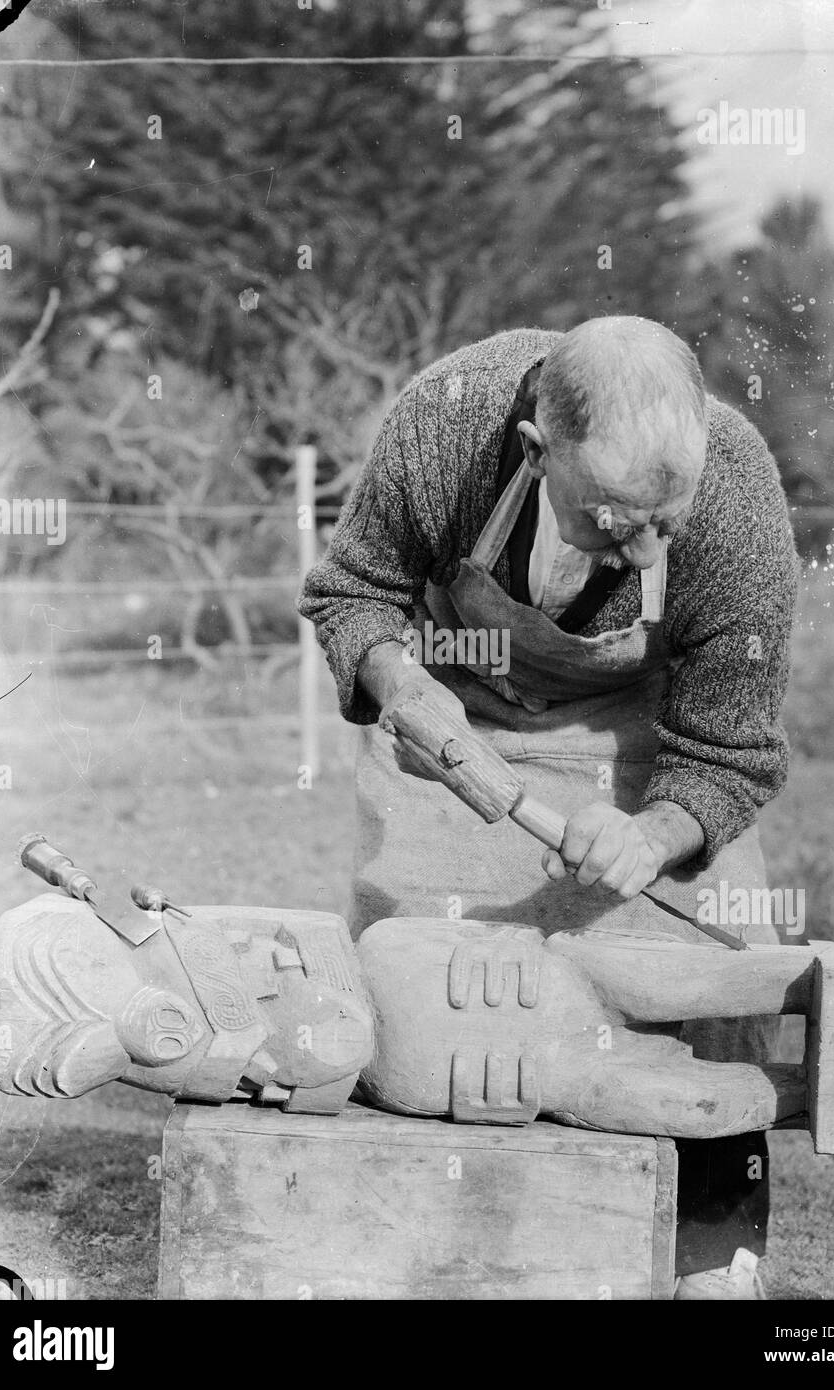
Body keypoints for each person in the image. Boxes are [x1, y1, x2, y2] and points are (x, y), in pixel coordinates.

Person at [298, 316, 799, 1300]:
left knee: (716, 986)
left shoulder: (733, 489)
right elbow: (351, 592)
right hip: (456, 728)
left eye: (669, 517)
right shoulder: (445, 423)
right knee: (420, 1001)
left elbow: (730, 750)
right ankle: (440, 1263)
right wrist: (401, 687)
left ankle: (714, 1264)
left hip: (640, 750)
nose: (646, 544)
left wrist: (654, 833)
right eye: (615, 518)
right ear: (535, 448)